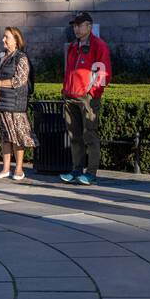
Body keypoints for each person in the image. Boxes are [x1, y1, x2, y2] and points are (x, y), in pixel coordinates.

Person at [59, 12, 111, 187]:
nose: (76, 29)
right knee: (74, 136)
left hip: (87, 97)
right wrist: (65, 90)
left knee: (89, 135)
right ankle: (76, 169)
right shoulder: (74, 46)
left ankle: (91, 172)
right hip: (71, 96)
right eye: (74, 26)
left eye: (79, 25)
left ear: (89, 26)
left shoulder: (99, 45)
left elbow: (103, 73)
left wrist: (93, 93)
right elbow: (69, 71)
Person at [0, 26, 35, 181]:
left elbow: (20, 80)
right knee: (5, 136)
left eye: (6, 37)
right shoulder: (0, 56)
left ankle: (19, 169)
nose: (3, 40)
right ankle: (5, 168)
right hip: (1, 102)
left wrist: (0, 82)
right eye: (3, 37)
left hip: (16, 103)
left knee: (17, 137)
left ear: (16, 40)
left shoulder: (21, 57)